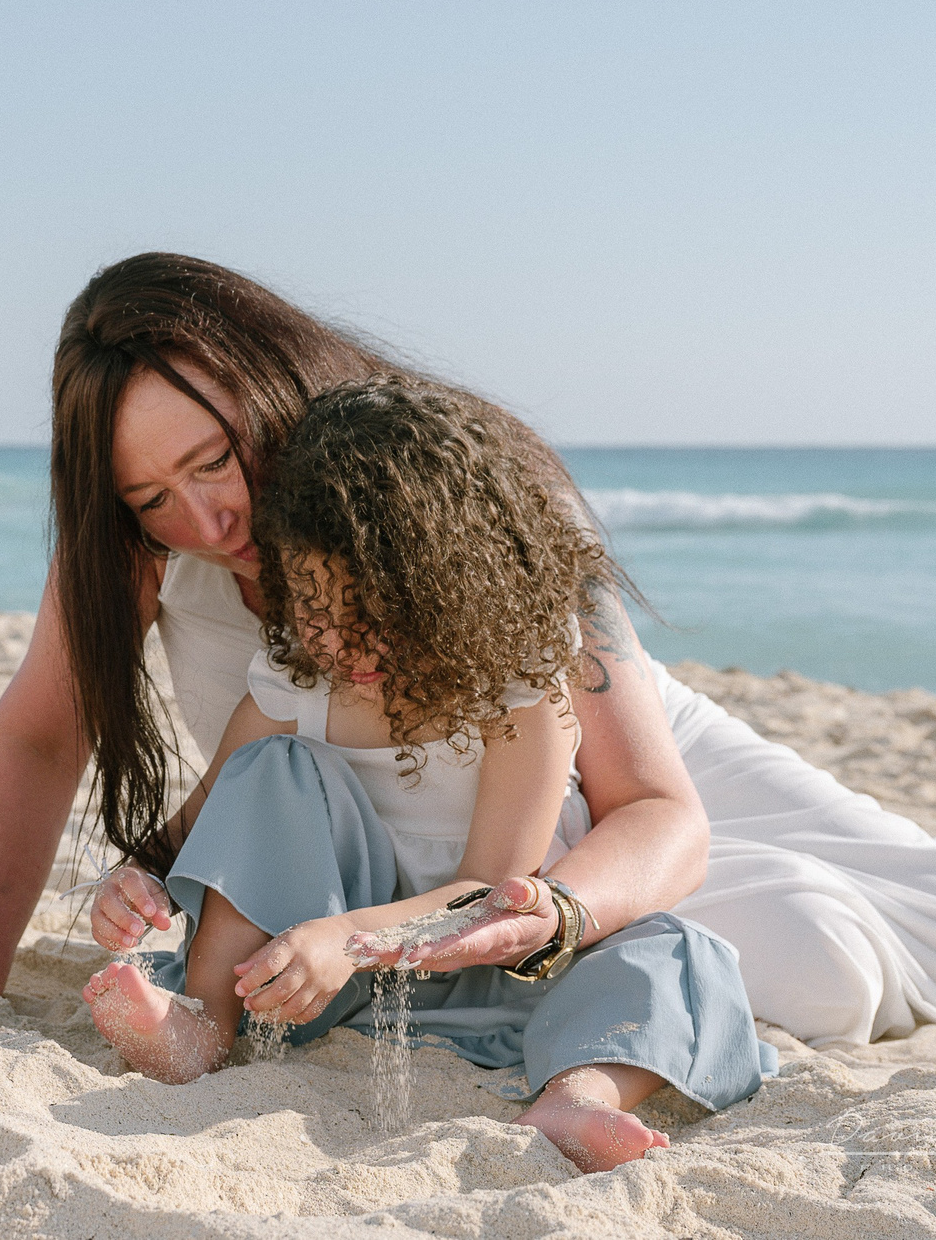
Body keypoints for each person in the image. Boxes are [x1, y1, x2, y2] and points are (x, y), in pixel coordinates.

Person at [0, 253, 936, 1047]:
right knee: (820, 955)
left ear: (269, 391)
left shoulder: (460, 493)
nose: (208, 519)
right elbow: (41, 739)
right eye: (152, 495)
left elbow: (651, 806)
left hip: (581, 769)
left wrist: (549, 911)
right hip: (374, 836)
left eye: (216, 458)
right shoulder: (142, 550)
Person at [81, 377, 770, 1173]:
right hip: (311, 984)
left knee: (681, 950)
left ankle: (577, 1095)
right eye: (316, 610)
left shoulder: (520, 691)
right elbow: (206, 820)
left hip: (502, 986)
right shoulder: (296, 680)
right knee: (271, 767)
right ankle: (203, 1021)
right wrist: (138, 877)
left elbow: (486, 890)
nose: (344, 646)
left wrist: (350, 938)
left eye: (374, 614)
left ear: (449, 589)